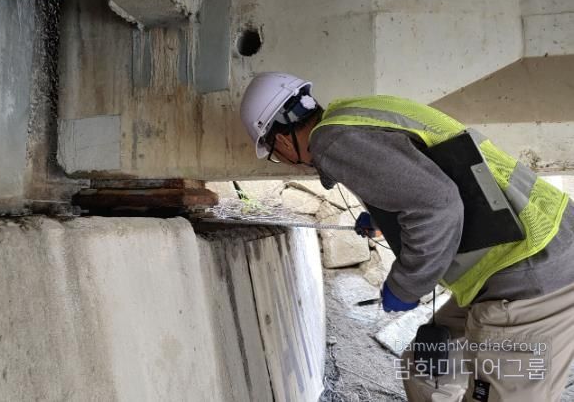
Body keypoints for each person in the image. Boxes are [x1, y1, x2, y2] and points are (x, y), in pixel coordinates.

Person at [239, 71, 574, 401]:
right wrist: (385, 216)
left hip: (533, 274)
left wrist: (406, 285)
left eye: (275, 154)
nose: (283, 160)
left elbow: (439, 205)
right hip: (531, 252)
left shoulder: (329, 143)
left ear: (282, 141)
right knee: (423, 368)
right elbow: (426, 176)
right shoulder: (352, 114)